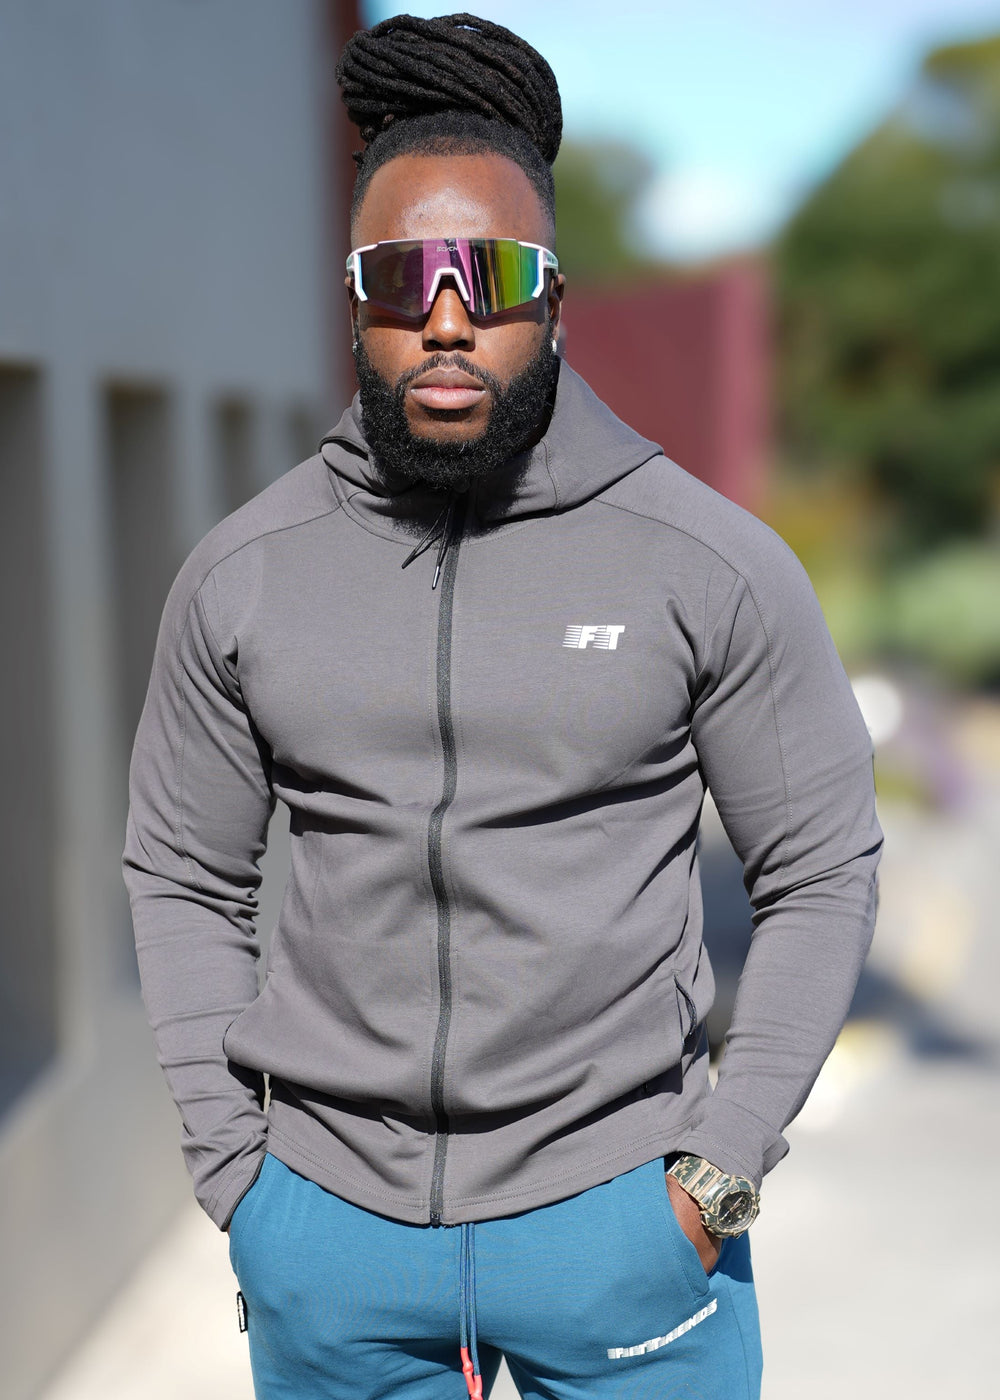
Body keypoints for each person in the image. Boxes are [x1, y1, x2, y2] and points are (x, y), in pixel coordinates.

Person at [124, 13, 882, 1399]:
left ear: (556, 299)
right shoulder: (243, 574)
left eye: (499, 274)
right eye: (409, 277)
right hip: (329, 1246)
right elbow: (181, 875)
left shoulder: (704, 561)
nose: (453, 316)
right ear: (356, 297)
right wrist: (241, 1178)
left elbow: (823, 869)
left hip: (624, 1230)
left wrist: (722, 1167)